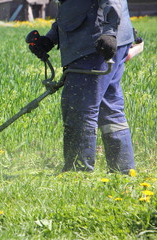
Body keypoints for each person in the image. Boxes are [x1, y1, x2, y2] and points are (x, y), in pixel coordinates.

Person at [28, 0, 136, 174]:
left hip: (94, 45)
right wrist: (50, 39)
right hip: (97, 41)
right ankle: (122, 171)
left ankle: (77, 173)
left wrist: (109, 34)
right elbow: (75, 7)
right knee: (109, 108)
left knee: (79, 109)